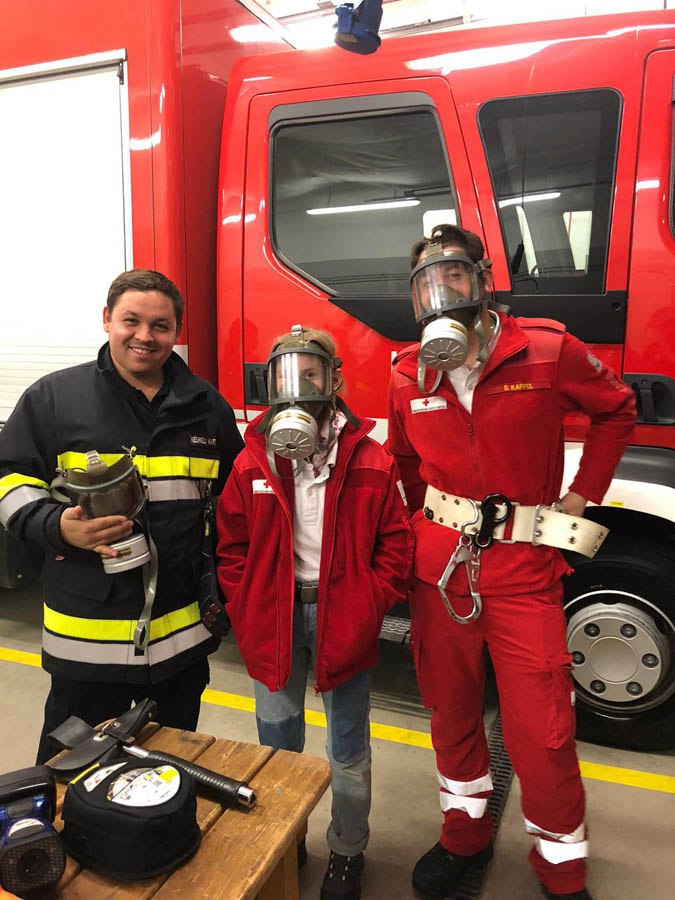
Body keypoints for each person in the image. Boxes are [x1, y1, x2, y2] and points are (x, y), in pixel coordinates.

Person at [386, 224, 636, 900]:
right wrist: (417, 538)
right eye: (427, 279)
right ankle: (462, 834)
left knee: (543, 729)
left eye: (454, 272)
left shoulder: (547, 351)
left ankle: (562, 869)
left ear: (484, 279)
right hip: (441, 571)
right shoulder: (406, 371)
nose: (442, 288)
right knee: (449, 712)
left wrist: (580, 497)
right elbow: (405, 464)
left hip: (525, 568)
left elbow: (616, 409)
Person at [0, 269, 243, 764]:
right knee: (71, 778)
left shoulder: (206, 407)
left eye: (160, 326)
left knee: (162, 781)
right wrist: (55, 526)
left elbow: (237, 502)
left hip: (181, 648)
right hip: (86, 648)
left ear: (177, 332)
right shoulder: (54, 399)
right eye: (131, 321)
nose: (144, 336)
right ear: (107, 319)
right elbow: (8, 478)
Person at [216, 325, 413, 900]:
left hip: (342, 619)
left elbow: (395, 542)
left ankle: (347, 851)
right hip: (272, 621)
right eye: (286, 377)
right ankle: (289, 838)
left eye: (311, 375)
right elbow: (230, 544)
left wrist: (370, 600)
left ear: (335, 381)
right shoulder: (252, 460)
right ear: (270, 385)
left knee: (347, 750)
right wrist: (245, 602)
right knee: (277, 745)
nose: (298, 388)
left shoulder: (370, 460)